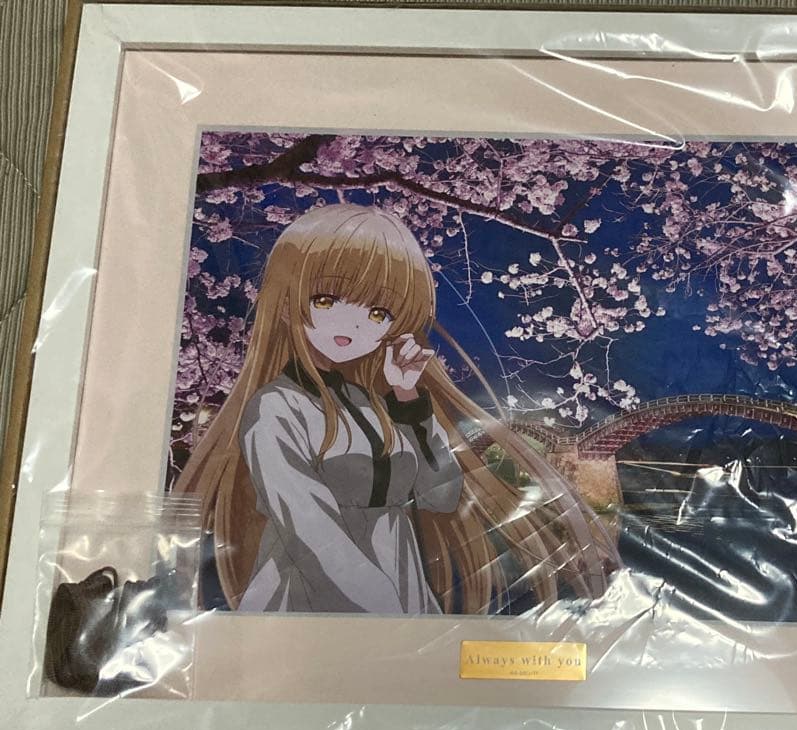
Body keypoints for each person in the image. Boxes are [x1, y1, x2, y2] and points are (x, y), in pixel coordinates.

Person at [176, 204, 619, 614]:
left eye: (378, 312)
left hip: (398, 583)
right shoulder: (276, 407)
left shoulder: (377, 405)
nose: (352, 322)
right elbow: (307, 522)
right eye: (326, 300)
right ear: (287, 302)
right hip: (310, 596)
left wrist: (407, 397)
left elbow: (440, 496)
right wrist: (383, 606)